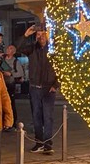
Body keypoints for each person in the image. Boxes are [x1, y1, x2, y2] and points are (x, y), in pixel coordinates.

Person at [17, 25, 59, 154]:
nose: (40, 37)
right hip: (35, 88)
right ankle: (39, 142)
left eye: (42, 34)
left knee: (48, 117)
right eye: (38, 35)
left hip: (48, 88)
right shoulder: (32, 49)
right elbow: (18, 48)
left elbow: (61, 68)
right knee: (36, 117)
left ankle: (48, 144)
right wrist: (26, 35)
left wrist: (56, 85)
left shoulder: (53, 50)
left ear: (47, 35)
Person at [0, 45, 24, 132]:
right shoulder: (1, 59)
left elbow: (20, 73)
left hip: (9, 84)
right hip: (1, 84)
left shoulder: (15, 61)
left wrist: (11, 74)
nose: (8, 50)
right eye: (8, 48)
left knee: (10, 104)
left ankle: (11, 123)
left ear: (13, 52)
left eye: (10, 49)